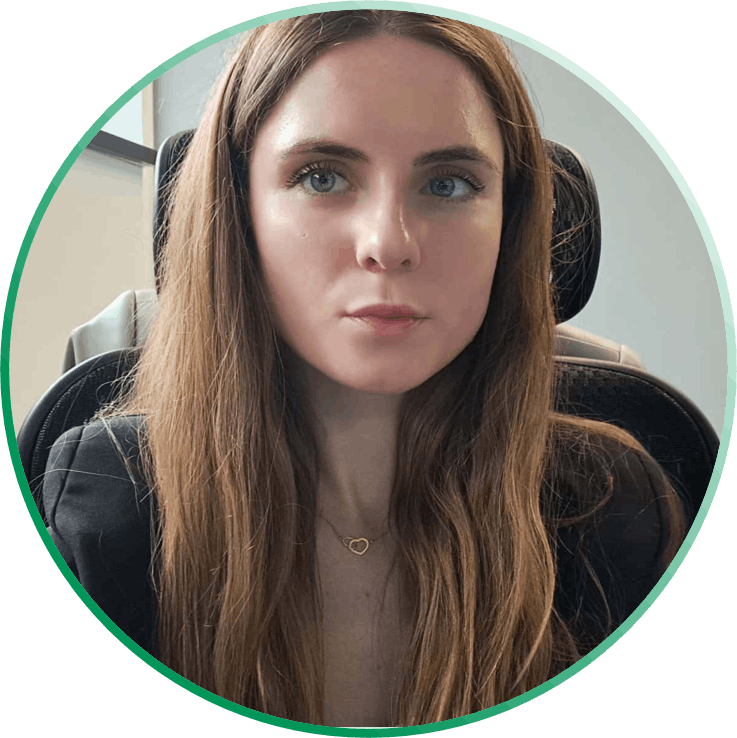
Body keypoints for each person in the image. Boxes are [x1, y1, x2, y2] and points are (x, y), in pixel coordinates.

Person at [42, 10, 688, 728]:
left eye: (449, 184)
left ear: (511, 224)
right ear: (236, 210)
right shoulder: (106, 507)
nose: (388, 242)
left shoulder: (618, 513)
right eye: (322, 176)